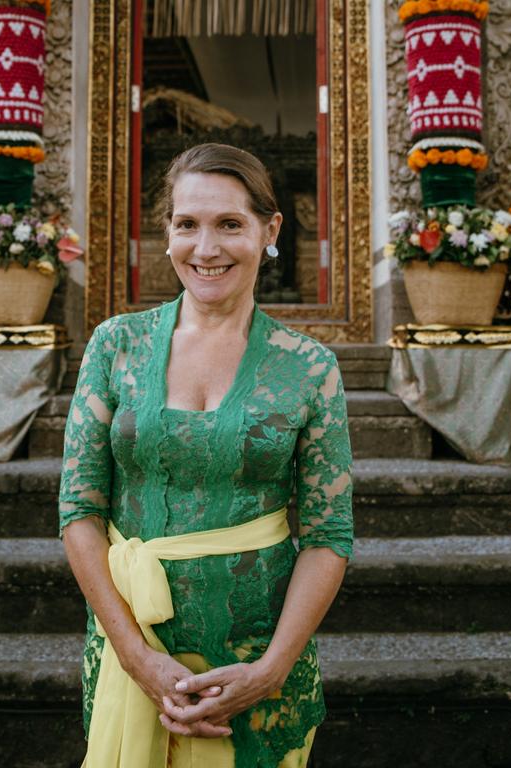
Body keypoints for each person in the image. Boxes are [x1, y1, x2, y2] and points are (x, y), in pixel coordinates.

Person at [59, 142, 353, 767]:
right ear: (166, 232)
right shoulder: (116, 345)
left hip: (256, 651)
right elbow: (78, 511)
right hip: (131, 644)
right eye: (186, 224)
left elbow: (329, 535)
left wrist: (270, 671)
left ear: (270, 231)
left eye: (229, 225)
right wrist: (140, 661)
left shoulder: (310, 368)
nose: (206, 248)